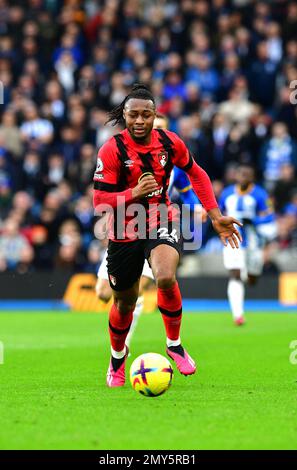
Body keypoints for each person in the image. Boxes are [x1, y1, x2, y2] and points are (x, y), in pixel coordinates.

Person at [93, 84, 242, 388]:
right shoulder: (111, 150)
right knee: (124, 302)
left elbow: (196, 173)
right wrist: (134, 192)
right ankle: (117, 357)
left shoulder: (170, 142)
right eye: (133, 114)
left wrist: (215, 215)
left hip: (162, 218)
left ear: (155, 115)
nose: (139, 120)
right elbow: (100, 203)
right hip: (124, 227)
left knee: (165, 276)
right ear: (125, 115)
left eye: (146, 115)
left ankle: (173, 344)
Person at [95, 112, 201, 350]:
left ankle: (132, 344)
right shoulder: (120, 153)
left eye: (161, 127)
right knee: (103, 293)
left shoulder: (174, 162)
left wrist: (199, 208)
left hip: (157, 225)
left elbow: (187, 192)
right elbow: (103, 196)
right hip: (124, 229)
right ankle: (125, 322)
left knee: (150, 283)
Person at [219, 163, 275, 325]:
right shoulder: (227, 193)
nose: (243, 177)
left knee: (252, 278)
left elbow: (270, 216)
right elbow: (218, 213)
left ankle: (248, 274)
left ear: (252, 178)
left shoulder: (260, 194)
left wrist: (254, 220)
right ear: (236, 176)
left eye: (247, 175)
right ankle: (238, 315)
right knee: (235, 274)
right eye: (241, 174)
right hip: (232, 240)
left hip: (252, 242)